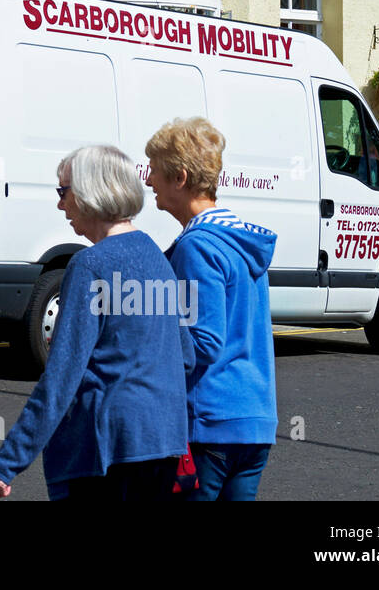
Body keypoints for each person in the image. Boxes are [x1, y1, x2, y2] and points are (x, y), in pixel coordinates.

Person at [0, 145, 192, 502]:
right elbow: (185, 356)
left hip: (104, 453)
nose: (61, 205)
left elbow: (62, 375)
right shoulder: (158, 258)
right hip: (162, 444)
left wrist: (6, 463)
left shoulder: (89, 266)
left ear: (91, 191)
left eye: (63, 192)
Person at [145, 117, 277, 501]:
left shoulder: (198, 247)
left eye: (154, 171)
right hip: (254, 418)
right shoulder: (240, 240)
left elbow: (203, 341)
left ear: (180, 177)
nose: (149, 181)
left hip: (210, 423)